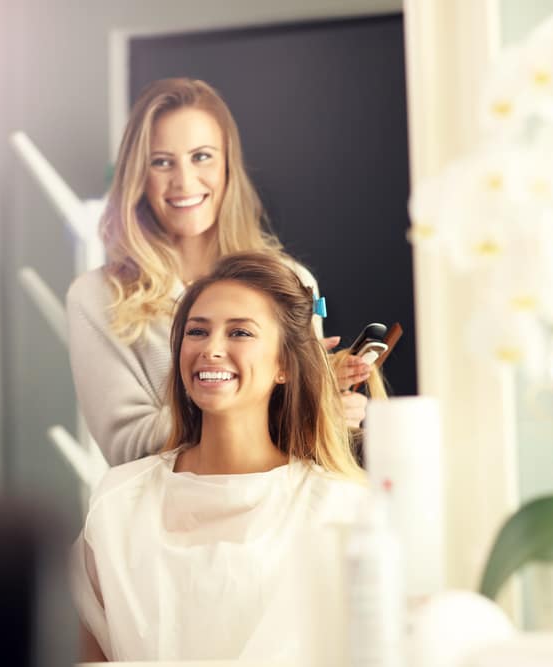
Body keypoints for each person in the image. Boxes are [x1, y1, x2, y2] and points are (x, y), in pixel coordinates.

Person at [71, 252, 367, 662]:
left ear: (284, 364)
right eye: (197, 331)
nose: (211, 349)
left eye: (240, 333)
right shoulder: (119, 503)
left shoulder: (338, 508)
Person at [67, 77, 371, 466]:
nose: (184, 181)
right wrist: (242, 393)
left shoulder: (292, 281)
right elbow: (127, 450)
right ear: (138, 176)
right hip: (164, 519)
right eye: (161, 162)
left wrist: (326, 409)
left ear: (229, 163)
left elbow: (304, 447)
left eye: (202, 156)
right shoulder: (97, 297)